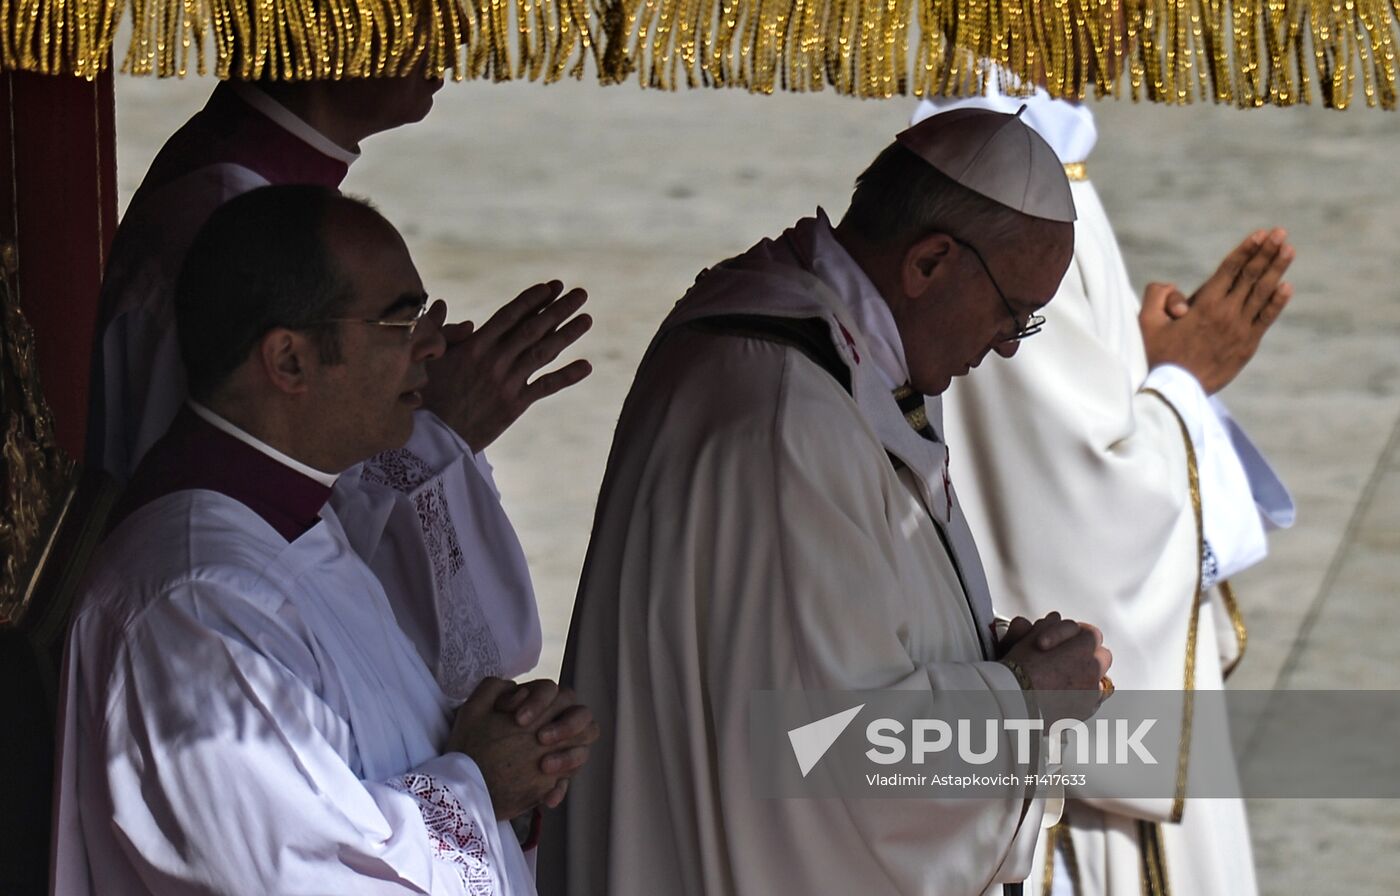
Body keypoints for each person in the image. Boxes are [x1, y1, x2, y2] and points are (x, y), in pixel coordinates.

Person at [538, 109, 1115, 896]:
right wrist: (1023, 702)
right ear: (930, 262)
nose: (1011, 343)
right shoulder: (785, 414)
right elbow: (837, 766)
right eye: (1013, 312)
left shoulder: (842, 356)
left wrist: (985, 658)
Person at [54, 186, 599, 895]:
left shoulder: (297, 519)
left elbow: (373, 759)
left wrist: (517, 759)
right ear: (289, 362)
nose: (434, 345)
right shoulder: (195, 604)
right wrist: (480, 786)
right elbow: (308, 878)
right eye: (400, 323)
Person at [91, 75, 593, 702]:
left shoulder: (245, 187)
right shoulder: (230, 218)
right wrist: (434, 432)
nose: (455, 32)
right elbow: (446, 653)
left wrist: (394, 378)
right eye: (425, 7)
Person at [913, 85, 1295, 896]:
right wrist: (1185, 382)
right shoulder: (994, 172)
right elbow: (1079, 531)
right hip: (1067, 797)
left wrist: (1142, 361)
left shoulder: (1051, 151)